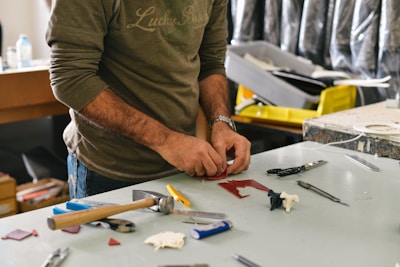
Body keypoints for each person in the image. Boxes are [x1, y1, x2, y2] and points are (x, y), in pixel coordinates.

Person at [46, 0, 251, 198]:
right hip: (109, 172)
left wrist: (221, 123)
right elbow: (71, 78)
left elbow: (211, 62)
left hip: (183, 167)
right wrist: (167, 141)